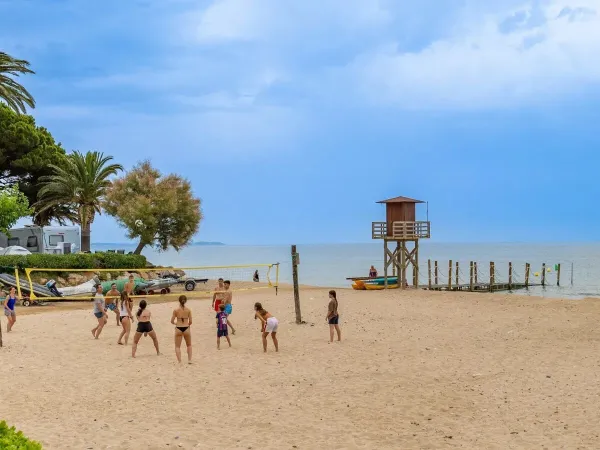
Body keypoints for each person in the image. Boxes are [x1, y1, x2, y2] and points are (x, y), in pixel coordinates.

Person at [171, 295, 193, 363]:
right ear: (185, 301)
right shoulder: (188, 310)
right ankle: (189, 360)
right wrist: (187, 325)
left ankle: (180, 361)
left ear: (179, 301)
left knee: (177, 346)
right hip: (186, 327)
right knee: (189, 345)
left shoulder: (176, 310)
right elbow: (191, 322)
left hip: (178, 327)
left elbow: (172, 321)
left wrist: (176, 323)